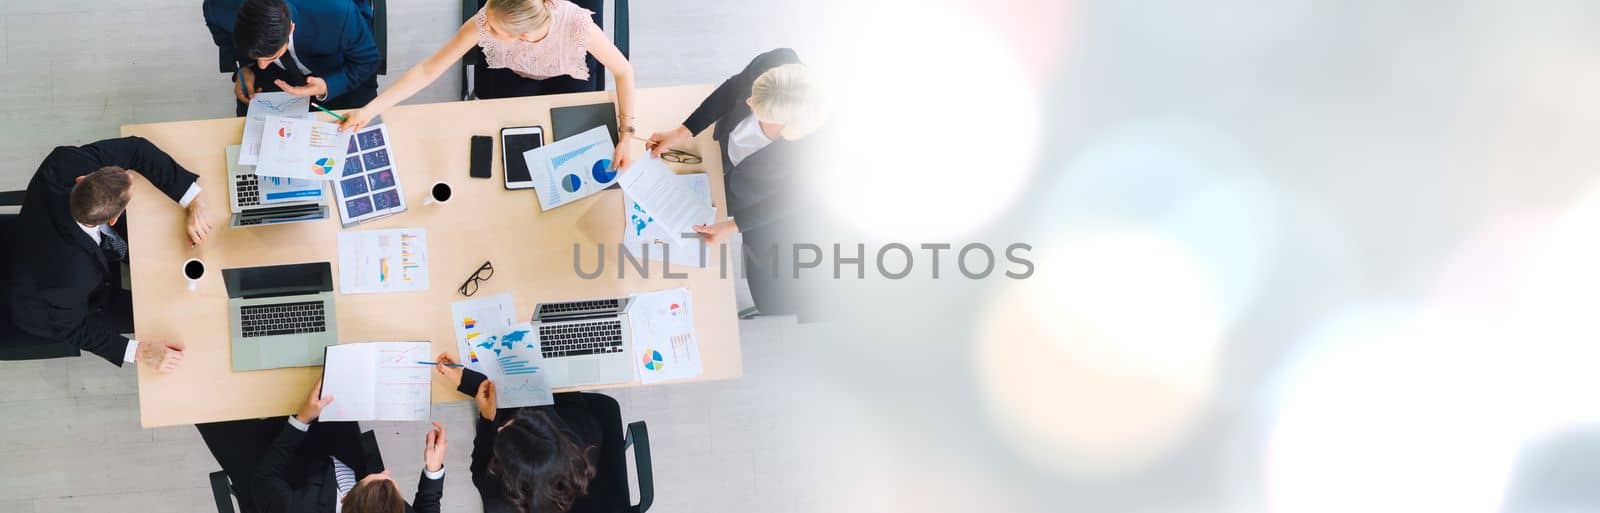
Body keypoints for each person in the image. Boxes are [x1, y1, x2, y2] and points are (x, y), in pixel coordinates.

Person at [339, 0, 638, 170]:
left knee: (576, 155)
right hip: (512, 75)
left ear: (522, 34)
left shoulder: (577, 25)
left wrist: (626, 136)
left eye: (495, 30)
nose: (485, 28)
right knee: (507, 152)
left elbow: (624, 72)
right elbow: (429, 69)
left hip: (564, 75)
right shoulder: (485, 20)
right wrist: (368, 110)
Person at [644, 48, 829, 317]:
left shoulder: (818, 147)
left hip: (760, 195)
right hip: (723, 159)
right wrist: (682, 132)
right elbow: (731, 91)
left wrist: (732, 226)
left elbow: (792, 199)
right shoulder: (774, 63)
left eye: (760, 109)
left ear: (787, 123)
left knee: (769, 290)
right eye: (754, 94)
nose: (749, 103)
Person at [4, 136, 212, 370]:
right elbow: (72, 327)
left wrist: (194, 201)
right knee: (172, 316)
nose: (131, 176)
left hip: (60, 245)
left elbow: (136, 149)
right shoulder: (70, 280)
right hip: (64, 300)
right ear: (112, 219)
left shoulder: (63, 164)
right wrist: (137, 352)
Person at [204, 380, 448, 513]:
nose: (386, 471)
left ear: (345, 501)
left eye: (378, 477)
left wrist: (301, 421)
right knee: (329, 380)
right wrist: (433, 468)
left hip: (272, 472)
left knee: (211, 401)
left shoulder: (294, 509)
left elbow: (265, 477)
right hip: (332, 456)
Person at [432, 353, 627, 513]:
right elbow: (544, 392)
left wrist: (488, 418)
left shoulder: (494, 488)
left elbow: (481, 457)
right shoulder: (585, 435)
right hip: (563, 407)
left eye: (503, 430)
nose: (500, 428)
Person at [203, 0, 381, 116]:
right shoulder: (220, 7)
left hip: (336, 71)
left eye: (271, 56)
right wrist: (244, 67)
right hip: (276, 78)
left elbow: (368, 61)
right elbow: (223, 36)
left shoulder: (338, 12)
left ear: (291, 29)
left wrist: (327, 86)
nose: (262, 66)